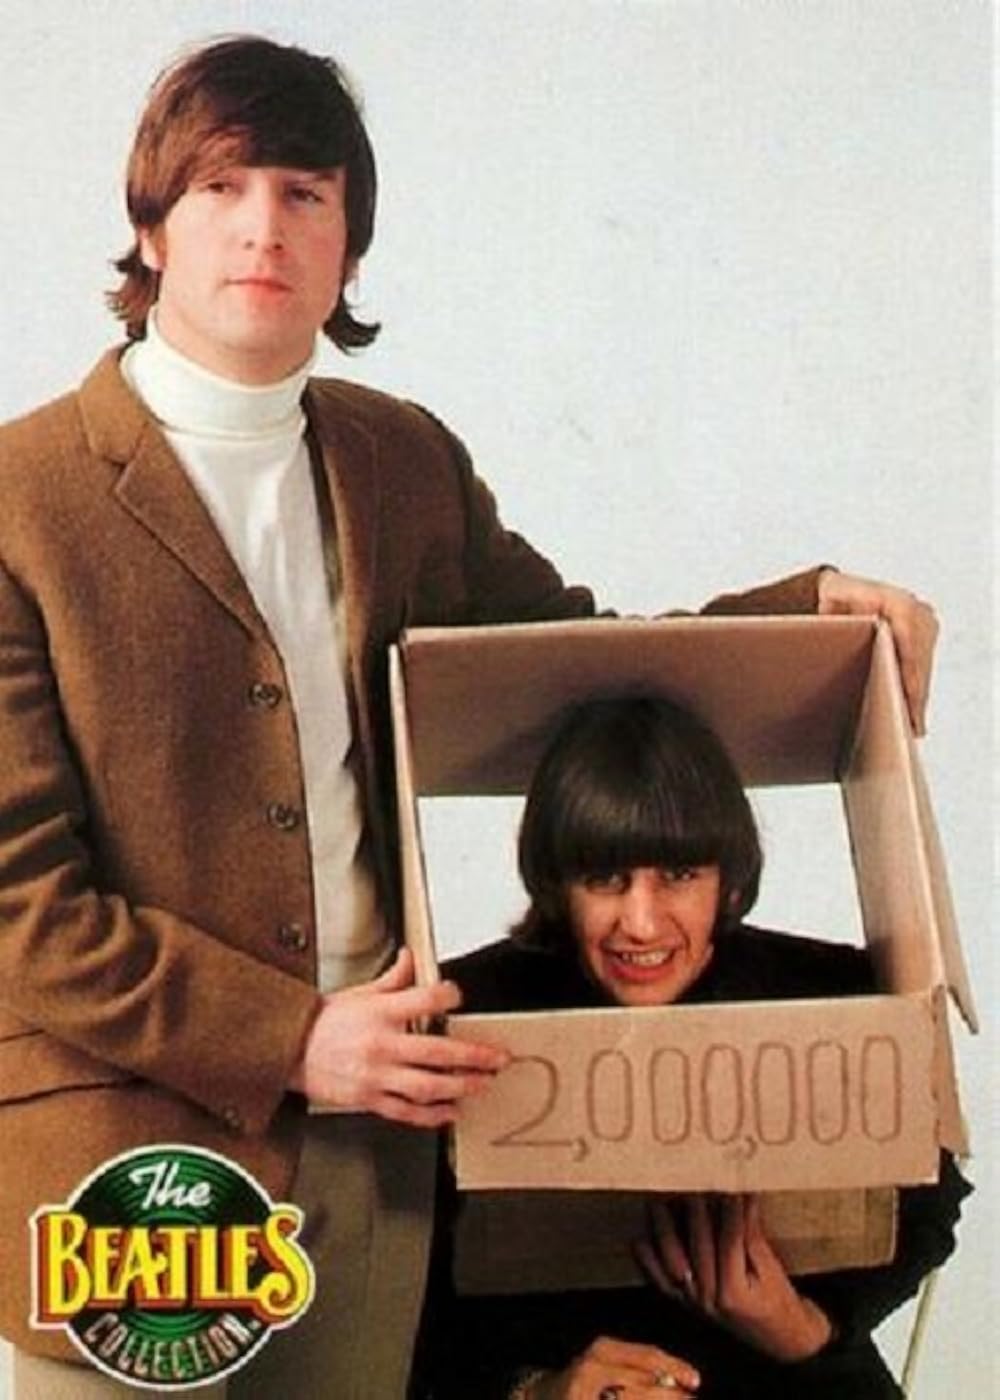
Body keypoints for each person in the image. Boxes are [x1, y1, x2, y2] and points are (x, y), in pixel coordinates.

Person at [0, 32, 941, 1400]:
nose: (264, 227)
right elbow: (18, 905)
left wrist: (806, 614)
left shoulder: (400, 459)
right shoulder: (19, 501)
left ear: (350, 247)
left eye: (306, 194)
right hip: (130, 1162)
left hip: (385, 1140)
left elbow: (566, 666)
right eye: (221, 187)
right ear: (150, 226)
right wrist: (291, 1038)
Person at [424, 695, 970, 1400]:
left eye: (678, 876)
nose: (641, 924)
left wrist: (802, 1326)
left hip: (789, 1372)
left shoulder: (830, 998)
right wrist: (536, 1391)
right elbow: (407, 1283)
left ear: (728, 881)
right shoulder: (465, 1017)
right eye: (605, 879)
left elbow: (929, 1203)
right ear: (558, 886)